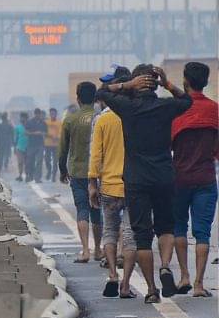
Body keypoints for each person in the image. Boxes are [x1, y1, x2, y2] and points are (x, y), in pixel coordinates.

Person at [97, 64, 193, 303]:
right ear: (155, 82)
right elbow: (187, 100)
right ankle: (165, 266)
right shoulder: (166, 106)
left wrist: (126, 85)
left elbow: (102, 92)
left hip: (136, 179)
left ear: (136, 83)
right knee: (166, 227)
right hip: (164, 176)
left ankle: (151, 289)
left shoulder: (127, 108)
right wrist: (168, 84)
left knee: (142, 236)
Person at [169, 61, 218, 298]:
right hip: (206, 178)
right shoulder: (214, 110)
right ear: (206, 82)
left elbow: (166, 143)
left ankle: (184, 276)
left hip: (178, 178)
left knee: (179, 227)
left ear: (185, 81)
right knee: (203, 233)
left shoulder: (176, 110)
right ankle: (199, 284)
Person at [89, 79, 137, 298]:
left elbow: (96, 155)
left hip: (108, 186)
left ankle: (112, 275)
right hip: (133, 185)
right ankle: (126, 285)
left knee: (109, 231)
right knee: (129, 235)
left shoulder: (102, 120)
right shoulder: (135, 117)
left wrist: (92, 183)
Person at [58, 82, 102, 263]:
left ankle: (85, 250)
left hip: (77, 171)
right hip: (99, 172)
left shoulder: (70, 119)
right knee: (97, 211)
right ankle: (98, 250)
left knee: (82, 209)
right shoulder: (101, 117)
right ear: (95, 98)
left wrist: (62, 169)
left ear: (78, 97)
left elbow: (63, 149)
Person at [24, 108, 47, 182]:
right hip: (31, 144)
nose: (38, 115)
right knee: (30, 161)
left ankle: (38, 178)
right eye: (37, 114)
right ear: (35, 114)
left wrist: (42, 134)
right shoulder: (29, 122)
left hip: (40, 144)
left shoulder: (43, 123)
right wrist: (35, 133)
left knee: (39, 161)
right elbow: (26, 133)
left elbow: (45, 133)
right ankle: (29, 176)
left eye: (39, 114)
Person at [43, 107, 62, 181]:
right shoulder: (46, 122)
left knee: (55, 161)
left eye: (54, 113)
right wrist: (49, 136)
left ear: (56, 114)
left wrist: (57, 137)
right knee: (47, 159)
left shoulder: (59, 122)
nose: (52, 114)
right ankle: (49, 170)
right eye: (51, 113)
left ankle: (53, 176)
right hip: (47, 144)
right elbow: (44, 131)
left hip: (56, 144)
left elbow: (61, 132)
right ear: (50, 114)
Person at [14, 112, 29, 181]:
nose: (23, 119)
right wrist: (14, 147)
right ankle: (20, 175)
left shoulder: (29, 126)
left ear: (26, 118)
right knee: (20, 162)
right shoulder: (17, 127)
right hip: (19, 147)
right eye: (21, 117)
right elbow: (15, 138)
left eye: (24, 118)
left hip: (28, 147)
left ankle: (27, 175)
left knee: (27, 162)